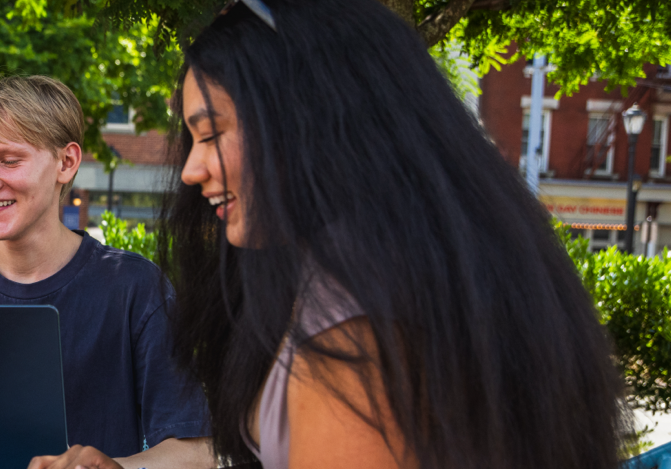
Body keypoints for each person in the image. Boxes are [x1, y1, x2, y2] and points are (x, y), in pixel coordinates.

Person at [33, 1, 630, 469]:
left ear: (309, 117)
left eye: (211, 134)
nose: (191, 170)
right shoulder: (413, 272)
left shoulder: (352, 337)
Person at [0, 76, 214, 469]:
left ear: (66, 162)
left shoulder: (135, 288)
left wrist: (114, 467)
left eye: (9, 160)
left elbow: (195, 450)